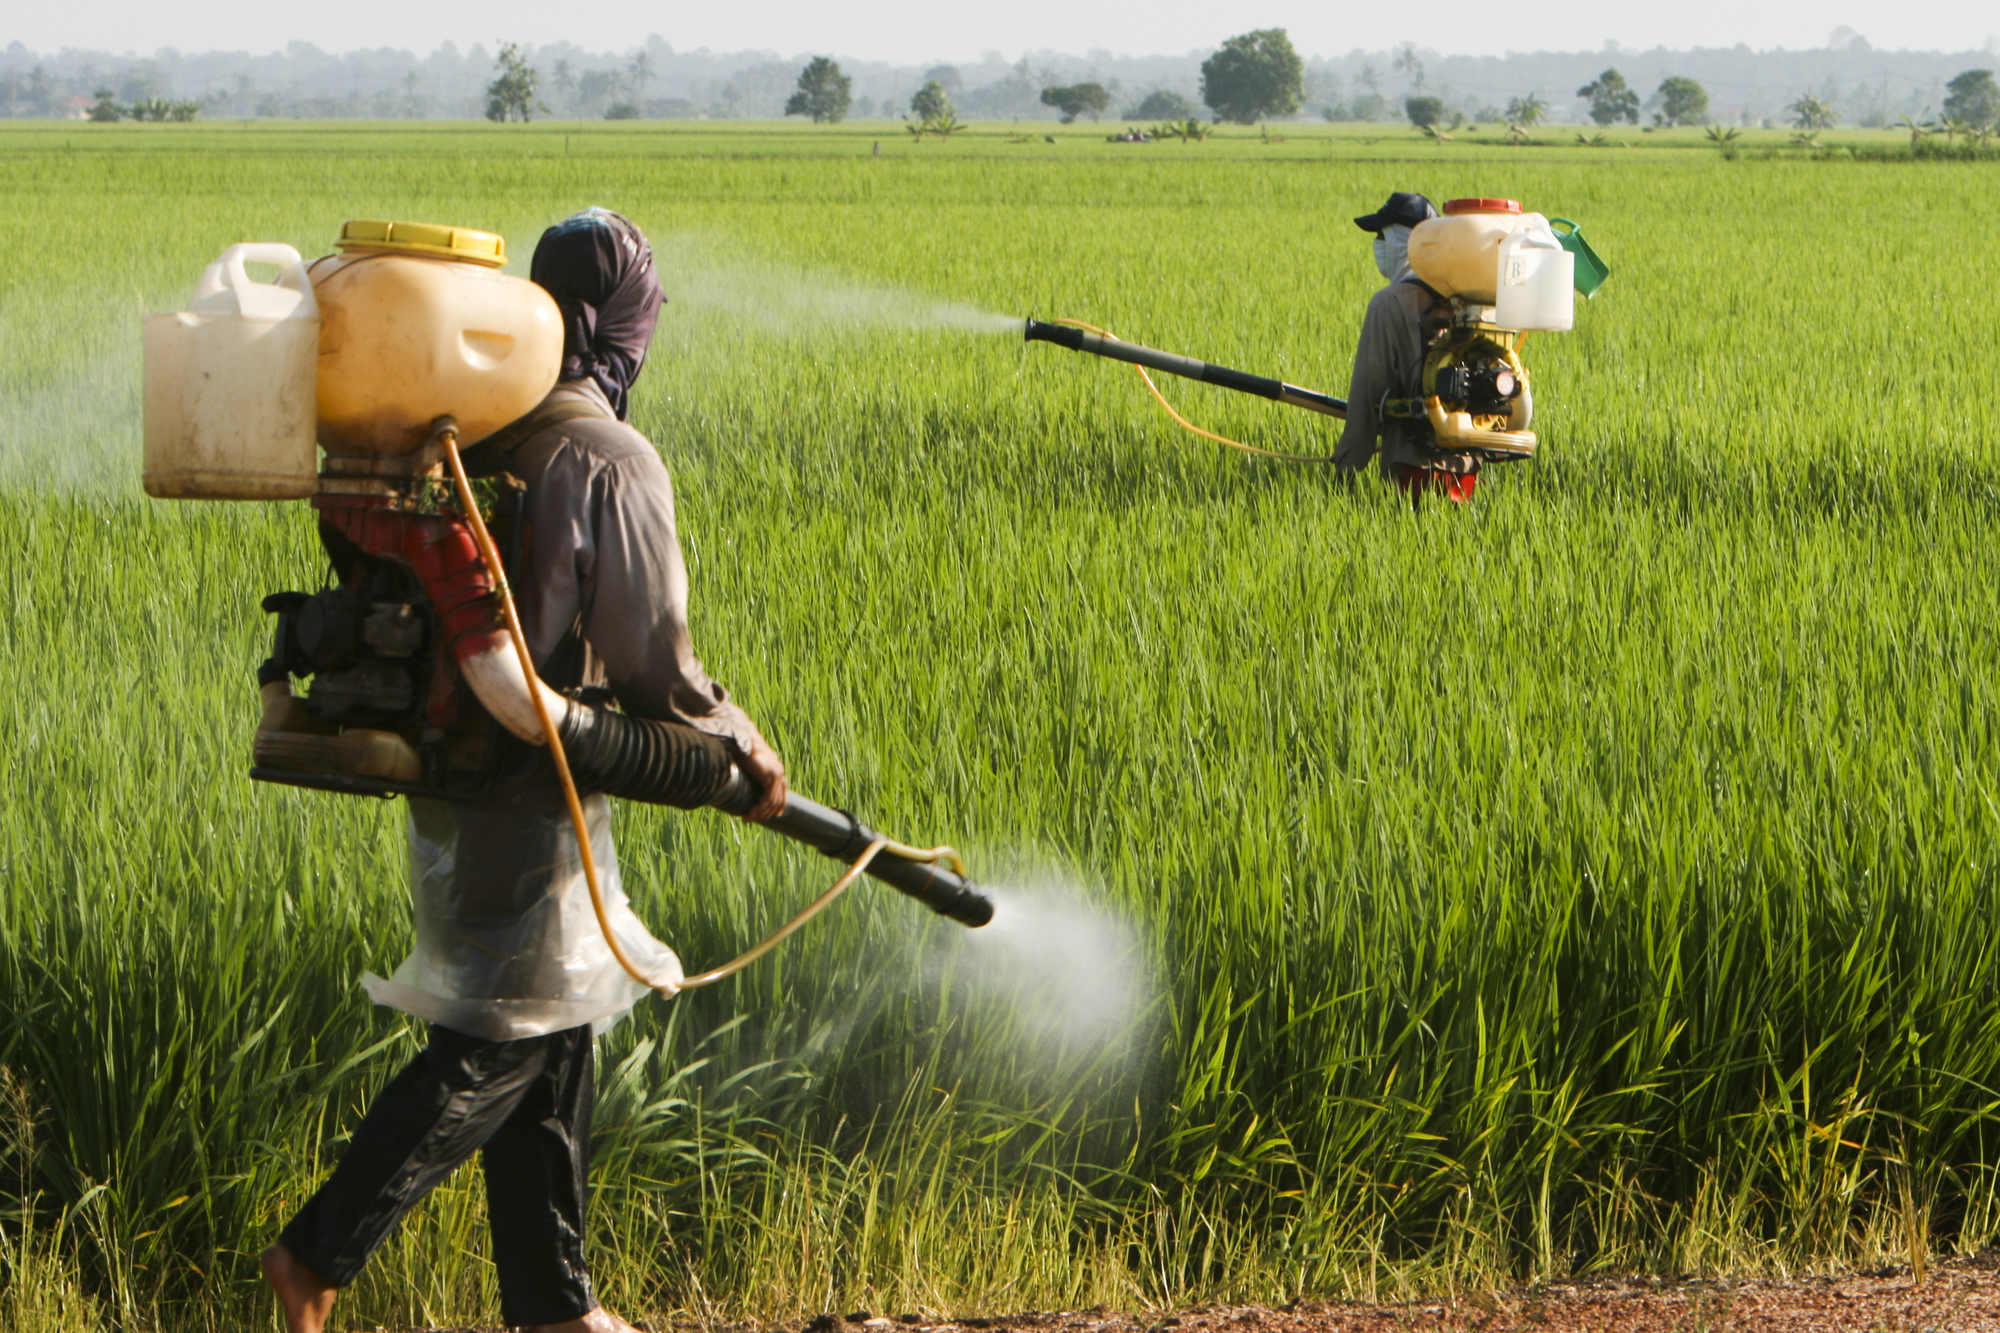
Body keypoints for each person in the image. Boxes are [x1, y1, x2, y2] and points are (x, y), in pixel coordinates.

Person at [261, 207, 788, 1333]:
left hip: (447, 761)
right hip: (523, 762)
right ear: (628, 321)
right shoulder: (603, 454)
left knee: (552, 1014)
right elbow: (657, 671)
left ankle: (556, 1308)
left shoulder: (464, 424)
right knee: (503, 1037)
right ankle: (316, 1253)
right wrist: (735, 749)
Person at [1334, 191, 1480, 506]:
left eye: (1381, 236)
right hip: (1468, 466)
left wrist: (1347, 465)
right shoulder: (1470, 297)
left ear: (1404, 240)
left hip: (1412, 467)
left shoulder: (1389, 304)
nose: (1377, 245)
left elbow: (1368, 392)